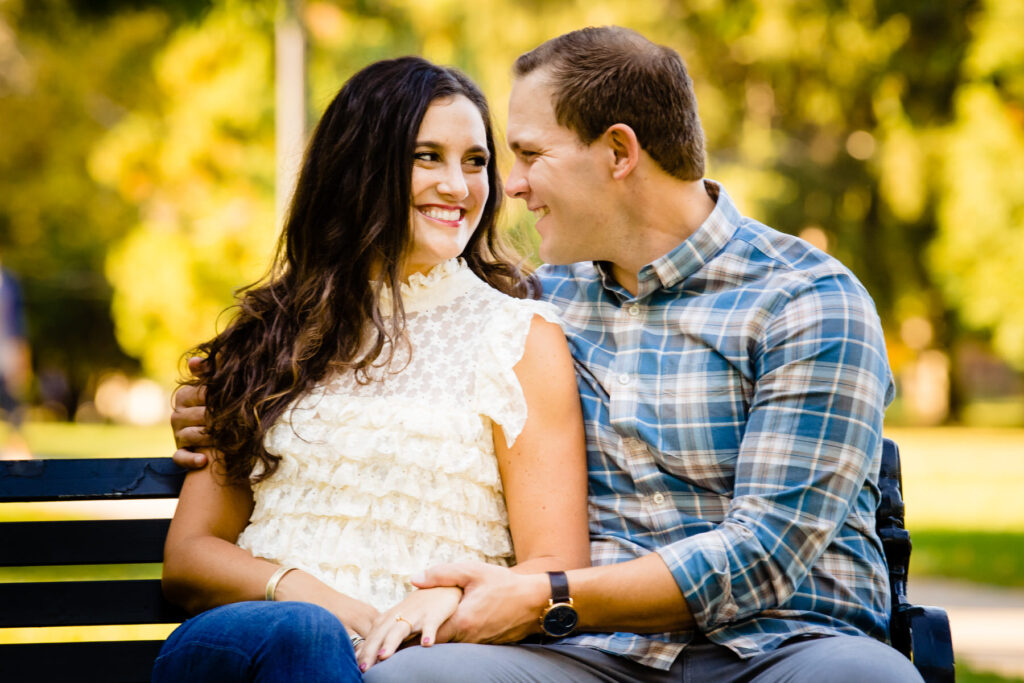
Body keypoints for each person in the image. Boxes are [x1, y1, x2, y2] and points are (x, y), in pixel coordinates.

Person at [175, 27, 924, 682]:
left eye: (526, 153)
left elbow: (764, 552)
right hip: (594, 653)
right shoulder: (542, 302)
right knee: (419, 679)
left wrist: (547, 595)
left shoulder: (806, 301)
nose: (508, 184)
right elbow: (395, 333)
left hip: (785, 645)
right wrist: (227, 395)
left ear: (619, 153)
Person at [155, 56, 589, 682]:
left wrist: (447, 599)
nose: (459, 186)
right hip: (257, 633)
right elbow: (191, 558)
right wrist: (313, 597)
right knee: (306, 639)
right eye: (426, 157)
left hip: (426, 658)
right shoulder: (271, 333)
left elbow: (554, 563)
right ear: (362, 167)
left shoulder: (518, 337)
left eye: (475, 161)